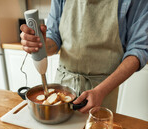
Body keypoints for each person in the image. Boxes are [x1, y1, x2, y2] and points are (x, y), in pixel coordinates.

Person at [20, 0, 148, 113]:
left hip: (103, 90)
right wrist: (40, 45)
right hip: (64, 86)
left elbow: (139, 50)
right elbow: (54, 37)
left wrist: (101, 91)